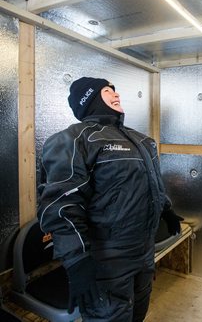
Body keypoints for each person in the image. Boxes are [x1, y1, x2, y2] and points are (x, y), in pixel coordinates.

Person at [37, 77, 183, 321]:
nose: (116, 95)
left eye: (114, 91)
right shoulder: (73, 140)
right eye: (106, 91)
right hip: (107, 260)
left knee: (138, 313)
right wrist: (77, 261)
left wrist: (166, 209)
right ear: (89, 99)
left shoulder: (141, 140)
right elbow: (60, 206)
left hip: (143, 253)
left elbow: (150, 183)